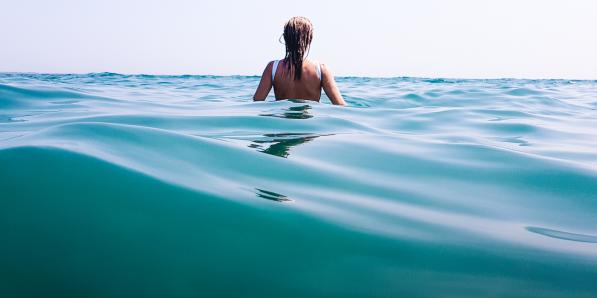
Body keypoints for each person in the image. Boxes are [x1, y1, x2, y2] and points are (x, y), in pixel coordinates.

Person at [253, 17, 346, 106]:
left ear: (285, 37)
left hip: (283, 121)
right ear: (309, 38)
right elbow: (340, 105)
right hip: (310, 122)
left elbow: (257, 102)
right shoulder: (321, 69)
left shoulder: (273, 68)